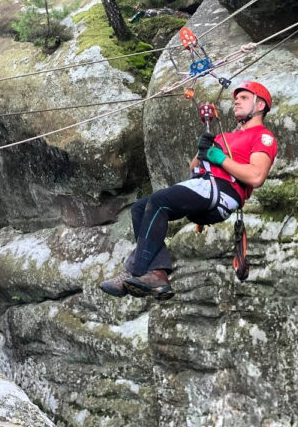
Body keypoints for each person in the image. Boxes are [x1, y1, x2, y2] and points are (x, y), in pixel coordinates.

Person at [100, 81, 278, 299]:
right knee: (139, 208)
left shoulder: (262, 136)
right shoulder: (224, 137)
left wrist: (220, 158)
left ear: (259, 105)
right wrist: (202, 150)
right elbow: (195, 167)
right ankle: (157, 272)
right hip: (204, 184)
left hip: (223, 192)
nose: (236, 103)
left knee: (157, 202)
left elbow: (256, 176)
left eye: (243, 98)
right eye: (236, 99)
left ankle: (134, 271)